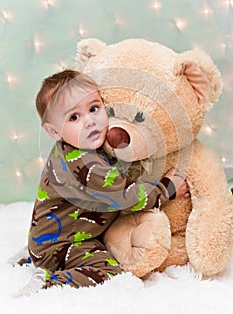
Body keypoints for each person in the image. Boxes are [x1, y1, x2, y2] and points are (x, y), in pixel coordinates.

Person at [21, 69, 190, 295]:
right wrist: (166, 189)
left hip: (52, 238)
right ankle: (49, 281)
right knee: (109, 271)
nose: (90, 121)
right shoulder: (87, 167)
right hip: (64, 247)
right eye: (74, 117)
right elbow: (127, 197)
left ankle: (36, 253)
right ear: (54, 131)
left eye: (94, 108)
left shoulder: (80, 147)